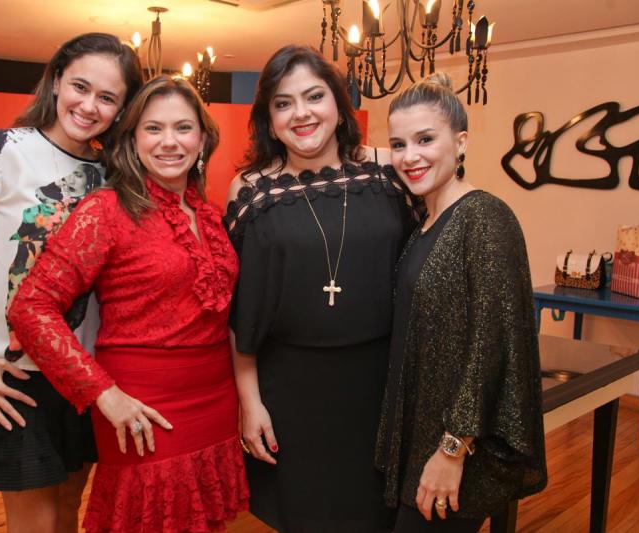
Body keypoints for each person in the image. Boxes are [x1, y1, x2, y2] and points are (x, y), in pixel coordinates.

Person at [7, 75, 249, 533]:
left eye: (183, 127)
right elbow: (30, 307)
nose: (169, 141)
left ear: (202, 139)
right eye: (153, 128)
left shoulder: (210, 214)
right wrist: (104, 393)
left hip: (216, 397)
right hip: (142, 403)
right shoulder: (106, 210)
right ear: (133, 141)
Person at [0, 33, 142, 532]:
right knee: (34, 522)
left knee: (68, 509)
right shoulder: (4, 149)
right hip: (15, 374)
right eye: (80, 87)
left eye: (107, 97)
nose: (89, 106)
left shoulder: (113, 174)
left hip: (86, 373)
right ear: (57, 80)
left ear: (122, 109)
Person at [224, 45, 418, 532]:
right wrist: (250, 402)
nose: (301, 113)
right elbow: (240, 309)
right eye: (283, 103)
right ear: (269, 121)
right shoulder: (251, 189)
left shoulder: (389, 170)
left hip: (381, 384)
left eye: (314, 96)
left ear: (339, 104)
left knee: (377, 516)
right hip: (290, 390)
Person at [374, 73, 548, 532]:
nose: (410, 156)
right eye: (398, 144)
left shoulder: (484, 217)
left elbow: (492, 347)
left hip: (452, 452)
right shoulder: (423, 225)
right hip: (418, 439)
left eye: (425, 139)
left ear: (461, 142)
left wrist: (452, 451)